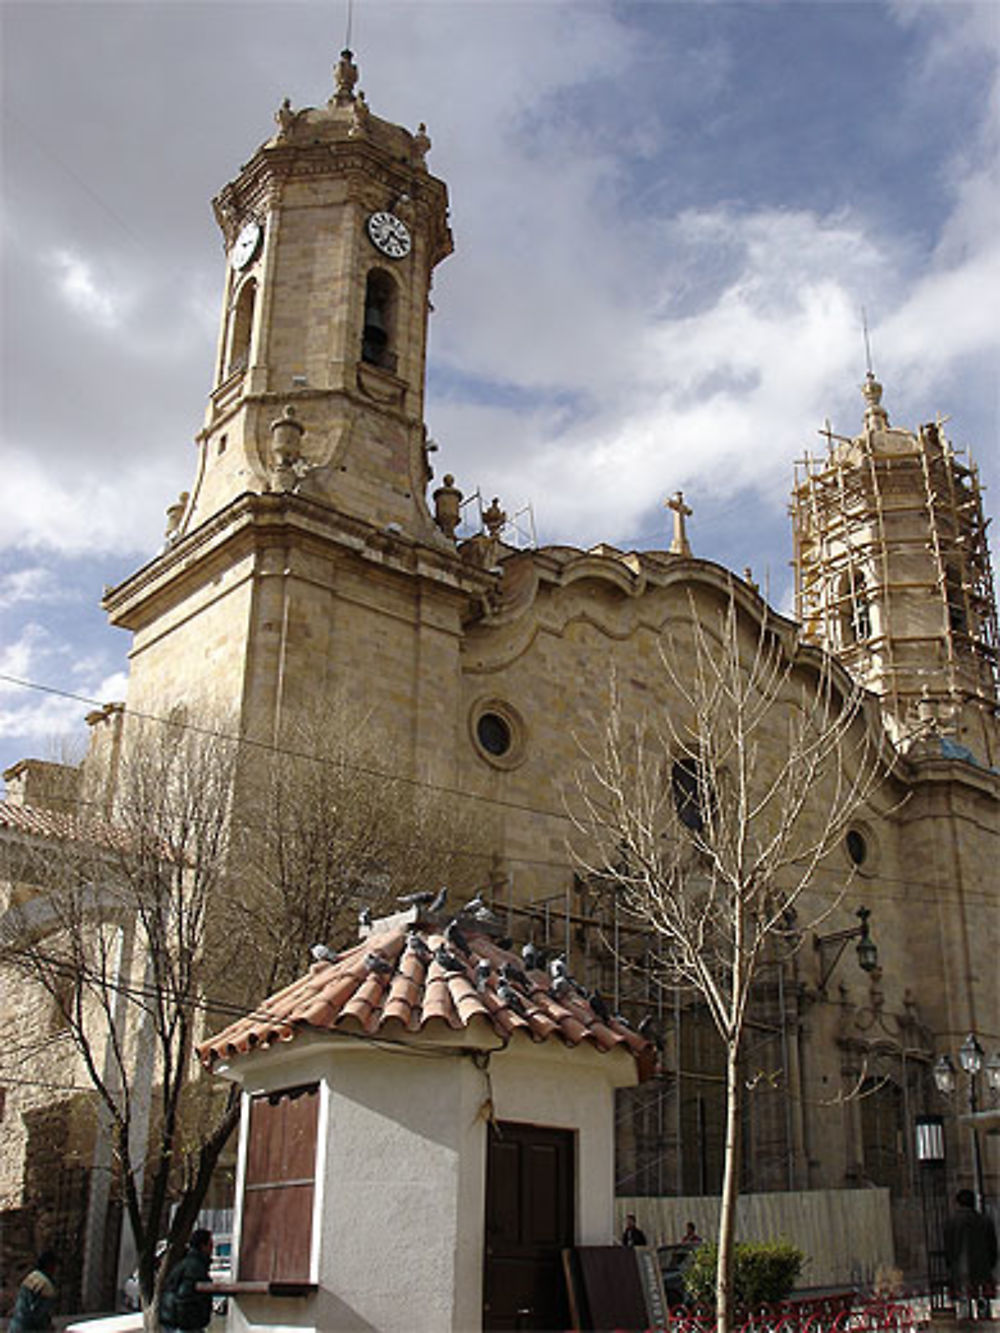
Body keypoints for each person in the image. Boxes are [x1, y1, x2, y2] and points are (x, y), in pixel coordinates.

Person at [944, 1189, 997, 1314]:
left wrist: (951, 1265)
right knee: (983, 1305)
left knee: (964, 1308)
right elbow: (992, 1247)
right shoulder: (985, 1221)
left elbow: (948, 1247)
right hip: (983, 1270)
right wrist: (990, 1264)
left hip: (960, 1272)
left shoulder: (951, 1222)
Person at [159, 1228, 215, 1333]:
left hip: (173, 1323)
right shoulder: (195, 1268)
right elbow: (184, 1297)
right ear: (203, 1246)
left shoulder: (184, 1264)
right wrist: (190, 1323)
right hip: (185, 1326)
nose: (212, 1249)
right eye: (210, 1245)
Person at [9, 1250, 58, 1331]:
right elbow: (39, 1315)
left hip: (16, 1326)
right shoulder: (46, 1286)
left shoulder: (31, 1277)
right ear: (50, 1265)